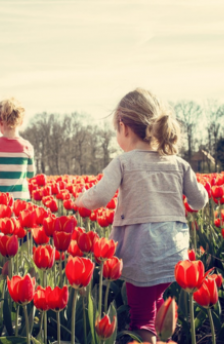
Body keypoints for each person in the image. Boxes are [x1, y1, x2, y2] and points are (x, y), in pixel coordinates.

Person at [74, 88, 208, 344]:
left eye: (116, 130)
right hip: (174, 255)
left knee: (142, 318)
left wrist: (78, 200)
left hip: (142, 253)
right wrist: (205, 191)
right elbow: (199, 201)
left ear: (124, 127)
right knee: (158, 305)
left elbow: (100, 197)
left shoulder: (124, 162)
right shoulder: (179, 164)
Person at [0, 97, 36, 200]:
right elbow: (31, 174)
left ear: (0, 122)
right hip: (21, 200)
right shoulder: (27, 147)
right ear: (21, 122)